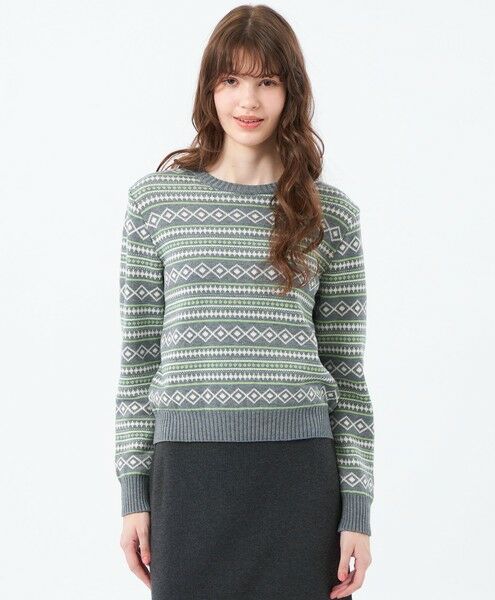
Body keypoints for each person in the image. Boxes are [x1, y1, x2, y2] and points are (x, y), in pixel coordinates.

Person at [115, 5, 374, 599]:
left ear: (291, 92)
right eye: (231, 79)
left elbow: (346, 373)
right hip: (188, 476)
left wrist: (357, 509)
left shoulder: (331, 215)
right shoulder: (156, 203)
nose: (248, 100)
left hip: (300, 476)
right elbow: (138, 359)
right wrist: (134, 493)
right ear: (209, 88)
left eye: (267, 81)